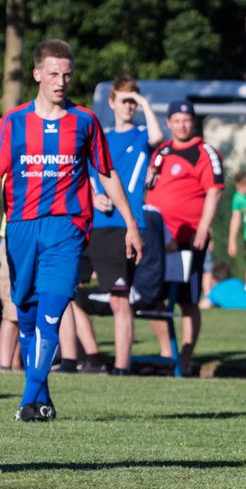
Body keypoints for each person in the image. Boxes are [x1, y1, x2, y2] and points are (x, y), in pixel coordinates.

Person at [0, 40, 144, 422]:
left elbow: (107, 172)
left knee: (53, 307)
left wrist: (131, 223)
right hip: (20, 228)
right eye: (53, 73)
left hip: (67, 228)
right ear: (37, 74)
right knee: (28, 313)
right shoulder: (14, 122)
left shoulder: (84, 121)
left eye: (66, 74)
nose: (60, 81)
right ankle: (41, 397)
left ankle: (28, 398)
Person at [77, 75, 164, 375]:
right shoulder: (101, 137)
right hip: (94, 225)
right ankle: (90, 356)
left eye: (133, 101)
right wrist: (95, 195)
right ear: (111, 102)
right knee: (67, 292)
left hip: (124, 225)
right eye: (123, 100)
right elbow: (88, 174)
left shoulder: (141, 135)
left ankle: (122, 367)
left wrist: (143, 102)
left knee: (118, 297)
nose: (128, 106)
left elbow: (157, 136)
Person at [143, 99, 225, 376]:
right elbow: (148, 185)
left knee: (188, 298)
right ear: (168, 123)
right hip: (157, 239)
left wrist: (204, 226)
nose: (182, 124)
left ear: (194, 122)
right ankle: (168, 353)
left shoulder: (205, 152)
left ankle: (185, 357)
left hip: (188, 237)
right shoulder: (161, 152)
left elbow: (214, 191)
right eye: (176, 120)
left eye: (187, 120)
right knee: (152, 294)